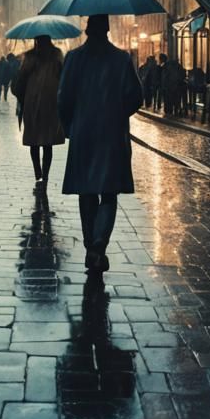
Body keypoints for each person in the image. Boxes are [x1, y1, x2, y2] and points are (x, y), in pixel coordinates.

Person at [58, 14, 144, 277]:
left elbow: (63, 98)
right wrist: (117, 113)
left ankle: (89, 245)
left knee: (86, 190)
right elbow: (136, 97)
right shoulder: (121, 59)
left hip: (83, 132)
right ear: (107, 29)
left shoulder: (73, 58)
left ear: (87, 29)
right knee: (108, 191)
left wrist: (70, 125)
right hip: (112, 133)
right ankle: (99, 244)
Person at [12, 35, 66, 186]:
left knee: (34, 140)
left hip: (32, 103)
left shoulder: (29, 58)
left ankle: (38, 174)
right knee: (47, 142)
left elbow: (20, 83)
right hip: (51, 103)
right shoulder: (57, 57)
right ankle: (45, 175)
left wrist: (21, 96)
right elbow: (63, 80)